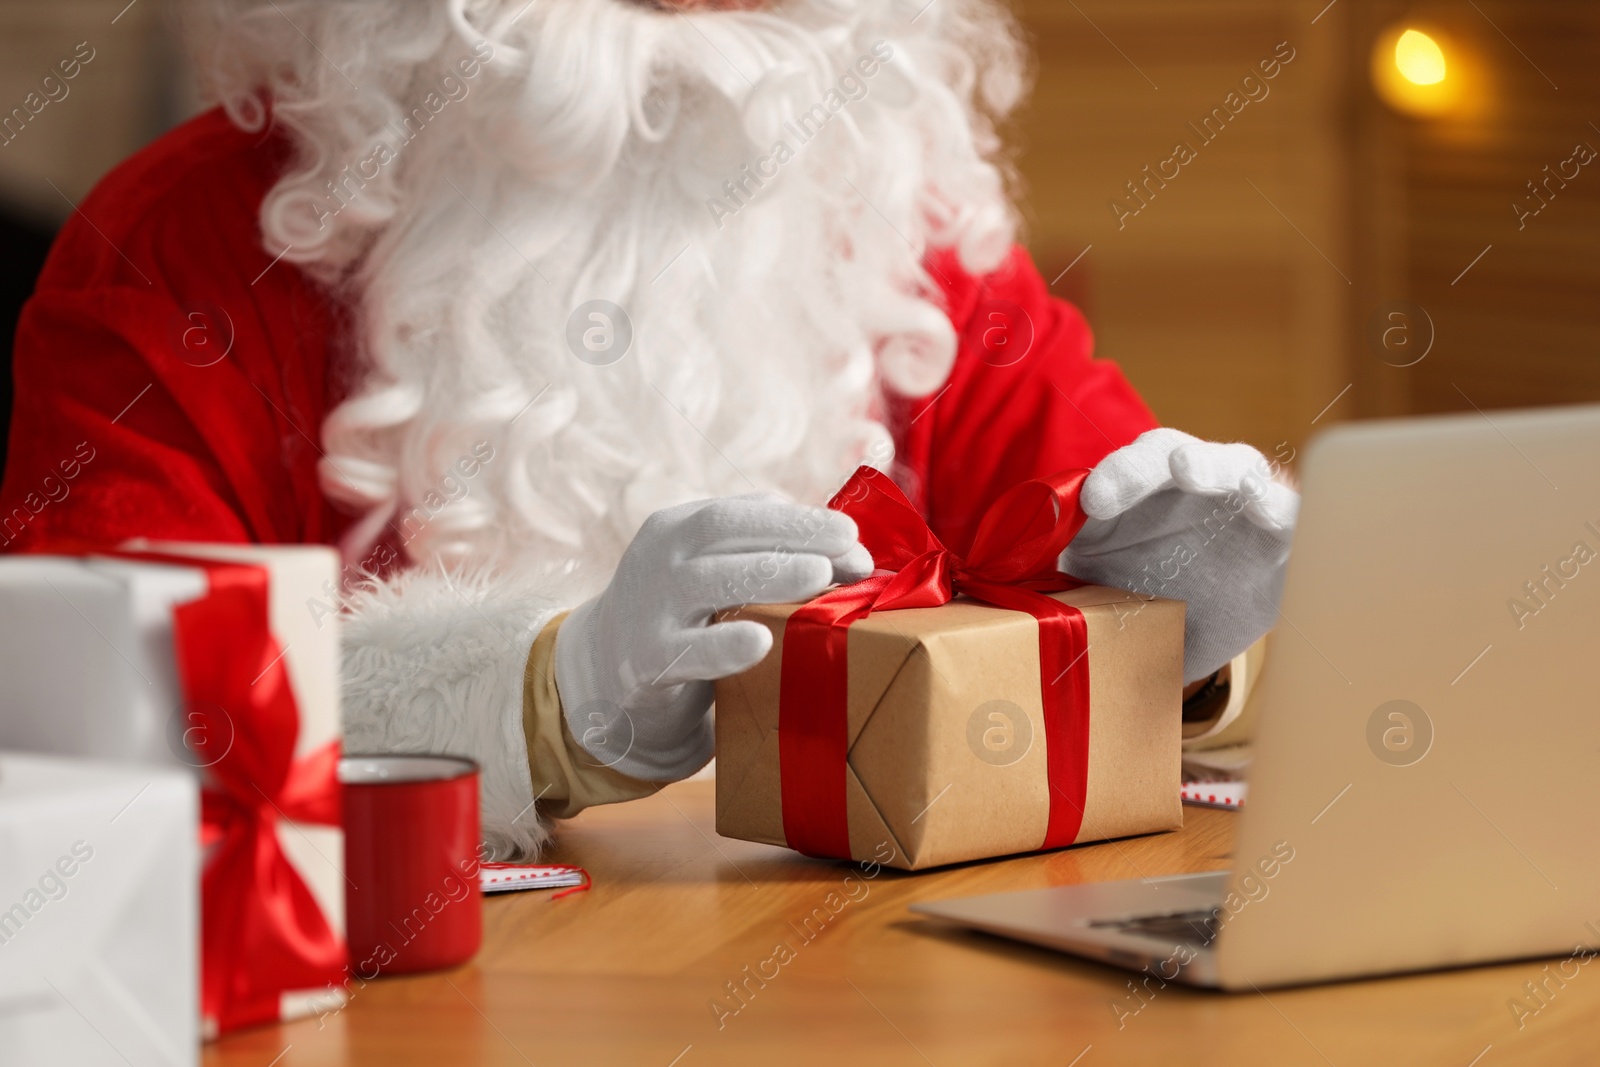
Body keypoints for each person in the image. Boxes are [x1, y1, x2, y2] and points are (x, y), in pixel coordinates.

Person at [0, 0, 1296, 858]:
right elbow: (88, 727)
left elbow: (1077, 511)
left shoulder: (907, 209)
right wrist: (541, 696)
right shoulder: (171, 253)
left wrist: (1165, 634)